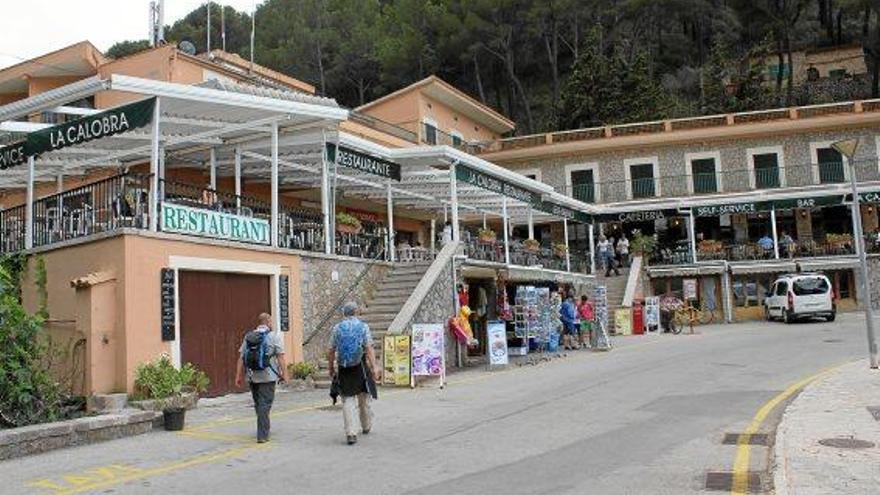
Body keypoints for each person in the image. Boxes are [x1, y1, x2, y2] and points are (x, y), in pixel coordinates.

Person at [327, 302, 380, 445]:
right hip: (360, 366)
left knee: (347, 400)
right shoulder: (363, 327)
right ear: (356, 312)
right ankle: (366, 425)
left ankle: (351, 433)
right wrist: (374, 366)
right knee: (364, 397)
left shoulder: (337, 328)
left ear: (344, 313)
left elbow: (331, 350)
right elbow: (368, 348)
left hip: (344, 367)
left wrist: (331, 367)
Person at [235, 313, 288, 443]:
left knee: (259, 404)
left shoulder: (249, 336)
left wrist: (238, 376)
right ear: (269, 322)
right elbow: (280, 357)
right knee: (265, 405)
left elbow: (241, 358)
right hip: (268, 376)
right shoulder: (274, 336)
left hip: (252, 376)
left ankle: (263, 427)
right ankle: (262, 434)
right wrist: (285, 375)